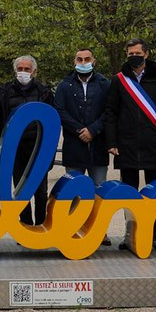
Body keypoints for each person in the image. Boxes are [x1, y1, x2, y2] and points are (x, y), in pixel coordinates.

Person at [104, 39, 156, 251]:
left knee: (154, 194)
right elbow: (111, 112)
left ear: (146, 54)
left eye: (137, 52)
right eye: (130, 54)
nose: (134, 56)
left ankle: (155, 234)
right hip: (126, 145)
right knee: (128, 194)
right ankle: (131, 235)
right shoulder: (119, 81)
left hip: (154, 145)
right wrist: (111, 142)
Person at [52, 48, 111, 245]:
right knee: (74, 189)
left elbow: (109, 111)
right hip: (74, 145)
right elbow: (59, 111)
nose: (83, 61)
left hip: (98, 145)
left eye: (87, 59)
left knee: (98, 189)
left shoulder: (104, 84)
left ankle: (99, 231)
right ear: (74, 61)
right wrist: (80, 130)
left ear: (94, 61)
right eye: (79, 59)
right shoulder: (64, 85)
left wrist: (93, 130)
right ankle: (74, 228)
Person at [0, 55, 55, 226]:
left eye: (27, 69)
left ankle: (41, 225)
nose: (23, 72)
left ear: (34, 72)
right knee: (20, 190)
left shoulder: (44, 92)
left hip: (38, 149)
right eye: (20, 69)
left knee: (41, 191)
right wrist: (1, 149)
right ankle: (26, 225)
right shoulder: (5, 92)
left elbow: (51, 124)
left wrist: (49, 155)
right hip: (15, 149)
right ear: (15, 70)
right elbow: (1, 124)